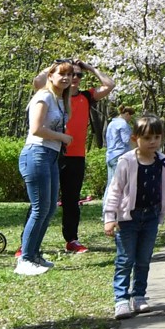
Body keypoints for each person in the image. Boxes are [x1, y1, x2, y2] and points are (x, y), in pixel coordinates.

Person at [102, 115, 165, 318]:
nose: (153, 142)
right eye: (148, 137)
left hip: (151, 217)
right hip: (127, 219)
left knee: (143, 259)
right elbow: (115, 190)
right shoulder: (127, 161)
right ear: (135, 138)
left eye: (157, 137)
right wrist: (109, 217)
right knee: (125, 259)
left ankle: (139, 296)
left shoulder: (164, 163)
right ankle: (121, 299)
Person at [17, 62, 75, 275]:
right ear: (51, 75)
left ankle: (34, 255)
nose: (67, 78)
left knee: (49, 208)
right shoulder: (44, 96)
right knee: (40, 207)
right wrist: (63, 137)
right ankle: (24, 259)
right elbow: (36, 129)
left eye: (70, 74)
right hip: (36, 153)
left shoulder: (61, 100)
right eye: (62, 73)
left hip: (51, 155)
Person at [50, 60, 112, 255]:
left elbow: (109, 85)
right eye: (69, 74)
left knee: (72, 201)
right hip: (53, 152)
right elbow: (38, 83)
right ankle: (27, 243)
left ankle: (72, 240)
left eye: (78, 75)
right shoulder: (54, 96)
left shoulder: (87, 96)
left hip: (76, 156)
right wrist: (54, 66)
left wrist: (90, 68)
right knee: (45, 201)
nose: (74, 78)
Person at [103, 99, 135, 183]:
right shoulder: (123, 124)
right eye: (130, 116)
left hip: (110, 156)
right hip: (119, 156)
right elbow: (127, 140)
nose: (130, 119)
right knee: (119, 184)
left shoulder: (112, 123)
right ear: (127, 114)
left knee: (110, 185)